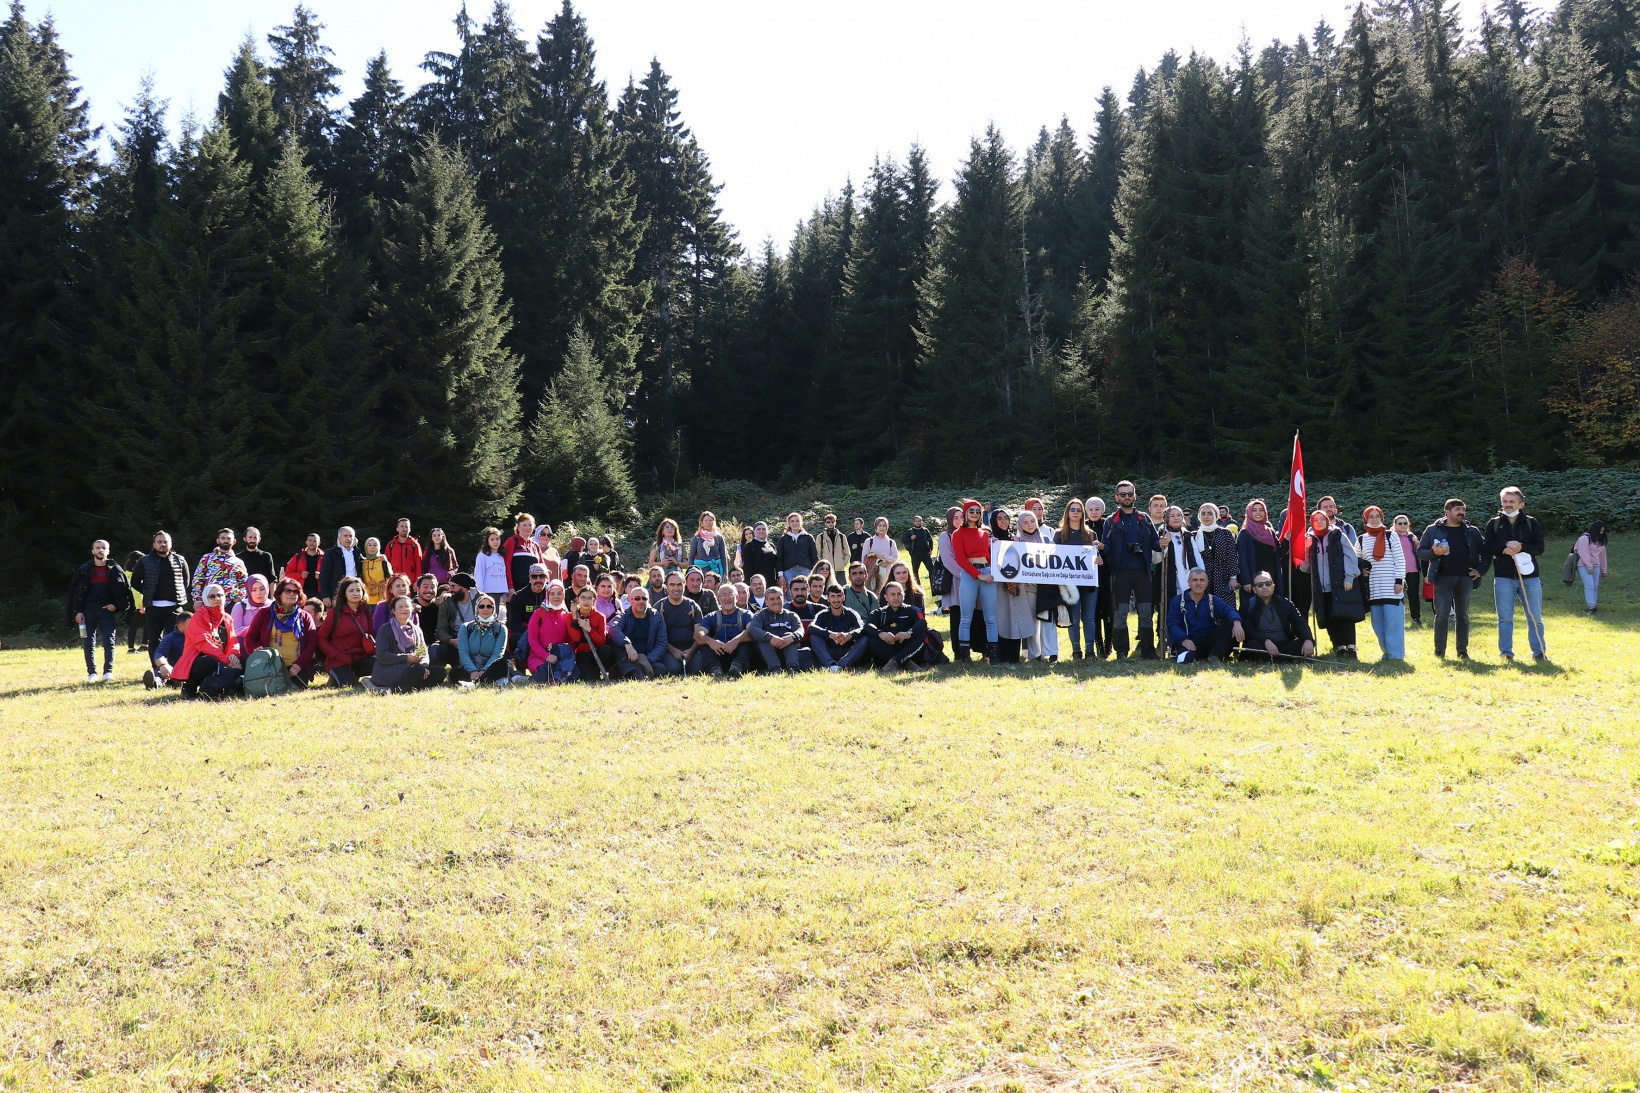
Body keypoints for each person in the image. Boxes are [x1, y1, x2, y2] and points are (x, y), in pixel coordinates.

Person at [1483, 486, 1549, 661]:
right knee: (1505, 618)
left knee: (1535, 617)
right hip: (1503, 577)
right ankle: (1506, 653)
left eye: (1512, 501)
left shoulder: (1531, 522)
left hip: (1530, 577)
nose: (1508, 504)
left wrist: (1521, 547)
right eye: (1505, 501)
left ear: (1521, 504)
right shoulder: (1494, 523)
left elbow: (1539, 547)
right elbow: (1487, 547)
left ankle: (1539, 652)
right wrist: (1504, 546)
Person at [1418, 498, 1485, 659]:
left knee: (1463, 615)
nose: (1461, 512)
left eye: (1463, 509)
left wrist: (1480, 570)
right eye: (1457, 509)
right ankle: (1439, 651)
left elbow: (1486, 552)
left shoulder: (1472, 531)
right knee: (1442, 614)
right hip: (1442, 578)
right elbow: (1421, 552)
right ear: (1447, 512)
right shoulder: (1433, 530)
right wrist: (1435, 553)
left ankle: (1462, 651)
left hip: (1465, 578)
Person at [1102, 482, 1160, 660]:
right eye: (1122, 494)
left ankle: (1148, 650)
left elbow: (1155, 543)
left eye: (1129, 494)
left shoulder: (1144, 519)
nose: (1126, 497)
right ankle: (1121, 651)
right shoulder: (1111, 521)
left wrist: (1164, 542)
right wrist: (1101, 547)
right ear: (1117, 498)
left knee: (1145, 612)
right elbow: (1108, 548)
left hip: (1143, 571)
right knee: (1120, 613)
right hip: (1120, 573)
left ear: (1135, 496)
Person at [66, 539, 134, 683]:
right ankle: (92, 674)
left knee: (109, 642)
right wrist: (77, 612)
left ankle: (108, 672)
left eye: (104, 548)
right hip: (86, 612)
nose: (100, 550)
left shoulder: (115, 569)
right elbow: (75, 594)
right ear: (93, 551)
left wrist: (116, 605)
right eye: (97, 548)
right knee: (88, 643)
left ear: (108, 551)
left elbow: (124, 590)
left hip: (106, 612)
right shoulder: (83, 570)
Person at [1303, 509, 1363, 658]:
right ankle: (1339, 646)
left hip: (1340, 583)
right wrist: (1305, 549)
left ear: (1327, 520)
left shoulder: (1337, 535)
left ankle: (1351, 647)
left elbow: (1351, 556)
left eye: (1322, 519)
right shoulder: (1310, 538)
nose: (1319, 522)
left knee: (1345, 615)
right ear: (1312, 522)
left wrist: (1349, 577)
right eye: (1315, 520)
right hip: (1321, 586)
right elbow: (1305, 568)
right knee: (1329, 615)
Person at [241, 577, 319, 687]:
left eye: (295, 591)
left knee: (296, 690)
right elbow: (250, 637)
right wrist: (254, 650)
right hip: (269, 667)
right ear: (279, 594)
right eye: (287, 591)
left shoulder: (305, 616)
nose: (292, 594)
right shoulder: (265, 613)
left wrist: (299, 664)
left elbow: (312, 643)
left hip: (296, 668)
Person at [1001, 509, 1054, 662]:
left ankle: (1049, 652)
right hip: (1027, 587)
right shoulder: (1016, 542)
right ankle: (1034, 653)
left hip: (1045, 586)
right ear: (1020, 525)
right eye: (1025, 522)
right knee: (1031, 620)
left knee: (1046, 620)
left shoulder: (1046, 539)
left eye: (1032, 521)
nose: (1030, 525)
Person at [951, 498, 1000, 664]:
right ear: (965, 513)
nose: (975, 514)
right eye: (971, 511)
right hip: (970, 574)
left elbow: (991, 555)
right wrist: (978, 575)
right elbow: (960, 559)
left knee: (991, 618)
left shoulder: (985, 532)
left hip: (987, 571)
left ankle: (993, 656)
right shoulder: (958, 534)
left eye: (978, 511)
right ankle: (965, 657)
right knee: (966, 618)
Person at [173, 583, 241, 698]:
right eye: (212, 596)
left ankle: (212, 689)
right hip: (199, 661)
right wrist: (227, 661)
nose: (217, 599)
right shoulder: (197, 617)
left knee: (242, 661)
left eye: (220, 595)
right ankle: (189, 688)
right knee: (208, 661)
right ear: (205, 598)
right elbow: (204, 644)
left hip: (221, 659)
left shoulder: (227, 618)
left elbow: (233, 640)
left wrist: (233, 654)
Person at [1357, 507, 1407, 661]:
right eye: (1370, 517)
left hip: (1391, 587)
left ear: (1382, 518)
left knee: (1393, 623)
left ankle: (1396, 656)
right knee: (1378, 624)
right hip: (1373, 588)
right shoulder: (1361, 539)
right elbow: (1355, 559)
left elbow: (1400, 560)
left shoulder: (1391, 536)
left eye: (1377, 516)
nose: (1374, 519)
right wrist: (1362, 568)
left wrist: (1399, 581)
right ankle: (1386, 653)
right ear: (1366, 519)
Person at [1166, 568, 1245, 664]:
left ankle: (1215, 657)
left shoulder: (1212, 599)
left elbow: (1229, 610)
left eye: (1202, 580)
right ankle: (1198, 656)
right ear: (1189, 583)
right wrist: (1183, 639)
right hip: (1190, 640)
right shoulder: (1178, 600)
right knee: (1185, 659)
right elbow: (1172, 623)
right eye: (1195, 580)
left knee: (1231, 620)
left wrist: (1236, 622)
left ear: (1207, 583)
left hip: (1210, 639)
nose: (1198, 583)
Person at [1054, 499, 1100, 660]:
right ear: (1067, 513)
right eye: (1072, 510)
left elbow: (1095, 557)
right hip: (1069, 584)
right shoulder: (1059, 534)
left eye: (1078, 510)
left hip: (1088, 583)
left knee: (1089, 617)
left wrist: (1098, 560)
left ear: (1083, 514)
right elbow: (1054, 559)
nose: (1075, 513)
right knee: (1074, 617)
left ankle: (1090, 651)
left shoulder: (1090, 534)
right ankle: (1076, 651)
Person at [135, 531, 191, 664]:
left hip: (175, 607)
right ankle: (157, 670)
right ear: (154, 545)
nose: (163, 544)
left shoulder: (180, 560)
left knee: (177, 639)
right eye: (159, 542)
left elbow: (186, 581)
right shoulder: (144, 561)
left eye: (165, 542)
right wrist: (147, 592)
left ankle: (175, 669)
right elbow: (135, 582)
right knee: (154, 640)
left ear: (171, 544)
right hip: (153, 607)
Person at [1239, 571, 1316, 661]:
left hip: (1285, 644)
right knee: (1252, 646)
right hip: (1261, 644)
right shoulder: (1247, 605)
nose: (1264, 587)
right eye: (1260, 585)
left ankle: (1274, 658)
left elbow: (1300, 622)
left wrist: (1308, 639)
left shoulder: (1285, 603)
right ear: (1254, 589)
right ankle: (1285, 658)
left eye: (1268, 584)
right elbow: (1249, 630)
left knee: (1302, 643)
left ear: (1273, 586)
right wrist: (1265, 641)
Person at [369, 595, 440, 693]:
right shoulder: (385, 629)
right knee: (417, 670)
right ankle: (389, 690)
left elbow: (423, 652)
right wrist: (406, 658)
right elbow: (382, 655)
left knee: (440, 673)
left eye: (407, 606)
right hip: (390, 669)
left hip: (412, 668)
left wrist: (424, 666)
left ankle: (407, 685)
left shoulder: (417, 630)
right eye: (400, 607)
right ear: (394, 611)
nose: (404, 609)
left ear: (411, 609)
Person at [318, 576, 377, 686]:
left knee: (381, 666)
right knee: (347, 685)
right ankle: (338, 676)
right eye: (351, 590)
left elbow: (369, 635)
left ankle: (356, 674)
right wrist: (335, 654)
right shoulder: (334, 613)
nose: (356, 593)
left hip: (360, 657)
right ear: (344, 593)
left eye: (358, 590)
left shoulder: (366, 611)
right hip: (339, 659)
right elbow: (321, 638)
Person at [692, 584, 756, 678]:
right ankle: (715, 670)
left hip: (738, 654)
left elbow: (752, 630)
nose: (727, 598)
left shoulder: (746, 615)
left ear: (737, 597)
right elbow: (698, 634)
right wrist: (711, 642)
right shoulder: (711, 616)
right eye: (723, 595)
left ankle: (737, 669)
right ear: (718, 599)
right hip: (719, 653)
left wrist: (735, 641)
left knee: (746, 644)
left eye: (730, 594)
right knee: (704, 644)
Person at [864, 581, 929, 670]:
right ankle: (905, 663)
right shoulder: (878, 612)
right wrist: (881, 633)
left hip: (908, 648)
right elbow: (868, 626)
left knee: (922, 636)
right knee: (871, 639)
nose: (896, 598)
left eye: (899, 594)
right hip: (888, 648)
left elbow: (922, 623)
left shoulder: (912, 610)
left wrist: (909, 633)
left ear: (904, 596)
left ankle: (896, 662)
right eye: (892, 594)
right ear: (886, 597)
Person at [612, 585, 668, 678]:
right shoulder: (624, 616)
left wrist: (648, 660)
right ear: (630, 601)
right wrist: (627, 644)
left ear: (649, 601)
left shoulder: (656, 617)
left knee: (661, 670)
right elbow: (613, 629)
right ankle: (634, 672)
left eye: (644, 598)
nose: (641, 601)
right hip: (628, 656)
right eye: (637, 598)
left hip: (647, 656)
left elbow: (661, 643)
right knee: (616, 645)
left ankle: (636, 671)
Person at [809, 584, 868, 671]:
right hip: (829, 652)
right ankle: (831, 665)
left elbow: (863, 628)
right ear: (828, 598)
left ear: (843, 598)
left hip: (848, 652)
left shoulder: (852, 613)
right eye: (833, 596)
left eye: (839, 596)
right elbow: (811, 627)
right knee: (814, 637)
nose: (836, 600)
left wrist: (849, 635)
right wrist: (830, 634)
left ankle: (841, 665)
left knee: (865, 639)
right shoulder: (822, 614)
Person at [1237, 500, 1282, 612]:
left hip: (1271, 576)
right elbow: (1242, 558)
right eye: (1254, 510)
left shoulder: (1270, 532)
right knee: (1254, 610)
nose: (1258, 513)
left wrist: (1286, 539)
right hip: (1253, 578)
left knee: (1273, 608)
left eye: (1261, 510)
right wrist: (1246, 580)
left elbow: (1279, 553)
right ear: (1249, 513)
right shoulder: (1244, 533)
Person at [455, 594, 510, 686]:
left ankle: (475, 683)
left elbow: (498, 654)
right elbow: (463, 652)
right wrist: (473, 670)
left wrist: (484, 670)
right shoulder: (466, 627)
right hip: (470, 666)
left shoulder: (501, 628)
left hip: (490, 666)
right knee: (454, 673)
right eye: (481, 606)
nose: (485, 609)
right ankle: (484, 681)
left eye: (489, 606)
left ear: (493, 609)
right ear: (477, 608)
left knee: (501, 664)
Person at [526, 580, 575, 682]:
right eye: (552, 593)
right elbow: (532, 640)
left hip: (560, 658)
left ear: (563, 595)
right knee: (548, 673)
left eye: (559, 593)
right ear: (547, 595)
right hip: (539, 658)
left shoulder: (567, 615)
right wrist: (546, 656)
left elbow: (570, 640)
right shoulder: (538, 614)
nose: (556, 597)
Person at [568, 586, 619, 681]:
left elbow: (601, 641)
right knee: (590, 679)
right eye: (583, 598)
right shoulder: (570, 616)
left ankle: (609, 669)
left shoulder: (600, 616)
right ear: (578, 599)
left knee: (606, 650)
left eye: (589, 598)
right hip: (582, 653)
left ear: (594, 600)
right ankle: (593, 671)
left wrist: (590, 630)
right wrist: (575, 618)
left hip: (597, 650)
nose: (586, 601)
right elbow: (575, 638)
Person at [657, 571, 704, 674]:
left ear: (684, 585)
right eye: (672, 585)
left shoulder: (693, 606)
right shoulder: (658, 607)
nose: (676, 588)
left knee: (698, 669)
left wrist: (691, 651)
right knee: (674, 669)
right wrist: (673, 650)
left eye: (679, 584)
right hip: (668, 649)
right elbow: (657, 636)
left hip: (691, 649)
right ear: (666, 586)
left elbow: (699, 633)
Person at [749, 585, 805, 673]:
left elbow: (800, 630)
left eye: (779, 598)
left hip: (787, 650)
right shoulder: (760, 615)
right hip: (767, 652)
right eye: (772, 599)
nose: (776, 602)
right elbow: (753, 629)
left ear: (783, 599)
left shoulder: (791, 615)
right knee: (763, 639)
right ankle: (775, 669)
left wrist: (793, 637)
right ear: (766, 602)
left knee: (789, 636)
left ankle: (793, 669)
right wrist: (770, 637)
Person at [191, 527, 248, 607]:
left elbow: (244, 582)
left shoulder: (238, 562)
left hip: (230, 603)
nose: (225, 540)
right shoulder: (207, 558)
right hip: (210, 601)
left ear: (234, 541)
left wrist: (240, 596)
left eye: (228, 538)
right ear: (218, 541)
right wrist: (198, 599)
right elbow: (197, 579)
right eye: (223, 538)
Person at [434, 574, 477, 679]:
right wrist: (451, 641)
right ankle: (457, 667)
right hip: (456, 639)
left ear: (465, 588)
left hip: (478, 637)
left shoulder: (480, 599)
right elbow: (441, 630)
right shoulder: (447, 602)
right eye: (450, 586)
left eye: (454, 586)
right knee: (442, 650)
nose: (450, 590)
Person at [143, 608, 190, 689]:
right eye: (191, 625)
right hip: (172, 669)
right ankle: (154, 683)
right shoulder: (171, 638)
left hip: (192, 668)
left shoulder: (199, 636)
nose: (195, 627)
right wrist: (163, 665)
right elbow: (159, 654)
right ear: (180, 626)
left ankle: (181, 681)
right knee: (161, 671)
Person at [773, 512, 817, 592]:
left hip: (806, 570)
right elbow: (779, 558)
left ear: (801, 523)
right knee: (791, 594)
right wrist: (780, 575)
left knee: (807, 593)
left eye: (797, 521)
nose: (795, 523)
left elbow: (814, 556)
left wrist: (815, 572)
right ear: (789, 523)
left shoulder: (808, 537)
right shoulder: (783, 539)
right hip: (789, 571)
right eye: (792, 521)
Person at [320, 527, 364, 608]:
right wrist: (325, 595)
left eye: (351, 536)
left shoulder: (357, 553)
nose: (348, 538)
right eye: (345, 536)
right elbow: (324, 576)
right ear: (339, 538)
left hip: (354, 592)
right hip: (336, 593)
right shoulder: (331, 553)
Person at [1391, 515, 1422, 626]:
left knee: (1413, 594)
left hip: (1413, 570)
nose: (1403, 525)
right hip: (1397, 571)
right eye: (1400, 523)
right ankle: (1399, 619)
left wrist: (1416, 542)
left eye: (1405, 523)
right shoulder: (1391, 536)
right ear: (1395, 525)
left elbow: (1420, 551)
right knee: (1398, 595)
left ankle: (1416, 618)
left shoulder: (1411, 536)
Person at [501, 513, 544, 595]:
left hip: (534, 590)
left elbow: (542, 569)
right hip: (516, 590)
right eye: (524, 525)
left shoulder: (535, 546)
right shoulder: (512, 541)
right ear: (518, 527)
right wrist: (510, 587)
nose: (528, 528)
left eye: (530, 525)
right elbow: (506, 565)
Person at [1573, 520, 1609, 614]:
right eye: (1600, 530)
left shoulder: (1600, 540)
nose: (1601, 533)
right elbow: (1583, 553)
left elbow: (1602, 555)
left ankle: (1593, 605)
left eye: (1603, 531)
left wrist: (1604, 570)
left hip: (1596, 565)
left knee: (1595, 586)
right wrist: (1589, 566)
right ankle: (1591, 607)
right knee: (1589, 585)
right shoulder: (1584, 538)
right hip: (1583, 565)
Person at [473, 527, 509, 603]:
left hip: (499, 592)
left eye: (497, 539)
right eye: (492, 539)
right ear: (487, 541)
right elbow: (479, 575)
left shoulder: (501, 556)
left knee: (496, 614)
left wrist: (505, 592)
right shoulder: (482, 556)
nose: (495, 542)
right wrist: (480, 592)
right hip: (487, 592)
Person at [285, 533, 326, 601]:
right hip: (301, 592)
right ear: (306, 542)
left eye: (314, 541)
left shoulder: (325, 557)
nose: (312, 543)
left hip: (320, 592)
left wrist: (321, 576)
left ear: (319, 543)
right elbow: (287, 574)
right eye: (310, 540)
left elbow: (332, 574)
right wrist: (300, 575)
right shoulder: (298, 557)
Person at [862, 517, 898, 593]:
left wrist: (884, 557)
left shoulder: (891, 542)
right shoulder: (869, 541)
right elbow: (864, 558)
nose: (882, 528)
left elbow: (895, 558)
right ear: (876, 527)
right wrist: (878, 562)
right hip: (872, 574)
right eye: (879, 525)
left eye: (884, 525)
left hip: (887, 574)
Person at [741, 521, 780, 589]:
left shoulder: (771, 545)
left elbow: (776, 564)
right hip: (757, 584)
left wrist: (778, 577)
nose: (761, 531)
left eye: (763, 529)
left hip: (771, 581)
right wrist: (751, 582)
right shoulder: (750, 546)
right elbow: (747, 567)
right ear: (754, 531)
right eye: (759, 529)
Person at [689, 512, 729, 578]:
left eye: (710, 520)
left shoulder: (719, 538)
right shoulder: (697, 538)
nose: (708, 522)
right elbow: (691, 557)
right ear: (702, 523)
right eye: (706, 520)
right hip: (701, 570)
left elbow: (723, 557)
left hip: (716, 570)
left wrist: (725, 573)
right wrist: (690, 572)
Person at [358, 538, 393, 606]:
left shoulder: (383, 561)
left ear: (378, 547)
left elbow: (390, 578)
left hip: (382, 598)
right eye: (370, 545)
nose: (372, 547)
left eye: (375, 545)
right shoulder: (362, 563)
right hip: (366, 598)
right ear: (366, 547)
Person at [122, 550, 145, 653]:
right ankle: (144, 645)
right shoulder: (137, 573)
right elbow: (137, 591)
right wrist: (142, 605)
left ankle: (131, 648)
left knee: (133, 626)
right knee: (147, 624)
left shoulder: (125, 572)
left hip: (131, 603)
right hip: (139, 604)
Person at [904, 515, 934, 591]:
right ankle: (917, 588)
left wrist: (930, 549)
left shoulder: (925, 530)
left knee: (931, 569)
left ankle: (933, 586)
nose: (917, 522)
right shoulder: (910, 531)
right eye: (916, 521)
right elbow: (903, 540)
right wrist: (910, 538)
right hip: (915, 554)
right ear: (913, 522)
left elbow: (930, 540)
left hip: (925, 553)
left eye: (919, 521)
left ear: (922, 522)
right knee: (915, 572)